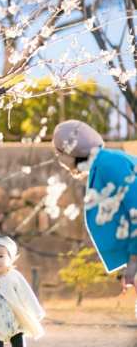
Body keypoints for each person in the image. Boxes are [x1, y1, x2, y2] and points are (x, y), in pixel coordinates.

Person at [52, 120, 137, 316]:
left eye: (58, 154)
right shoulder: (105, 162)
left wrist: (133, 260)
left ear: (69, 153)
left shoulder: (109, 164)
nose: (59, 160)